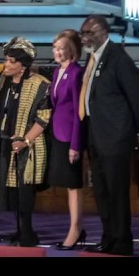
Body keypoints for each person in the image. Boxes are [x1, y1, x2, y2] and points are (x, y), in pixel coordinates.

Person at [79, 15, 139, 256]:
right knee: (101, 193)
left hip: (116, 138)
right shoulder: (94, 57)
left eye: (90, 33)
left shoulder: (118, 58)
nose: (86, 37)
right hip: (96, 137)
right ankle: (108, 238)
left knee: (117, 194)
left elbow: (136, 96)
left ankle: (121, 242)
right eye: (83, 33)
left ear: (104, 32)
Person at [0, 36, 51, 247]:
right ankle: (18, 231)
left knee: (25, 191)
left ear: (23, 65)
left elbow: (43, 118)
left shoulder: (41, 85)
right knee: (12, 191)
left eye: (11, 61)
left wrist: (25, 140)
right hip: (6, 141)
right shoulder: (3, 79)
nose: (6, 64)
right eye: (6, 60)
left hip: (29, 146)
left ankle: (27, 233)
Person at [47, 29, 87, 250]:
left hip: (71, 137)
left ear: (71, 50)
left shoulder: (76, 73)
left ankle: (76, 229)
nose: (57, 51)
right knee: (67, 185)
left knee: (74, 185)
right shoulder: (57, 72)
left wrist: (75, 144)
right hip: (57, 134)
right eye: (55, 47)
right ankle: (74, 227)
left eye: (61, 48)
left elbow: (79, 113)